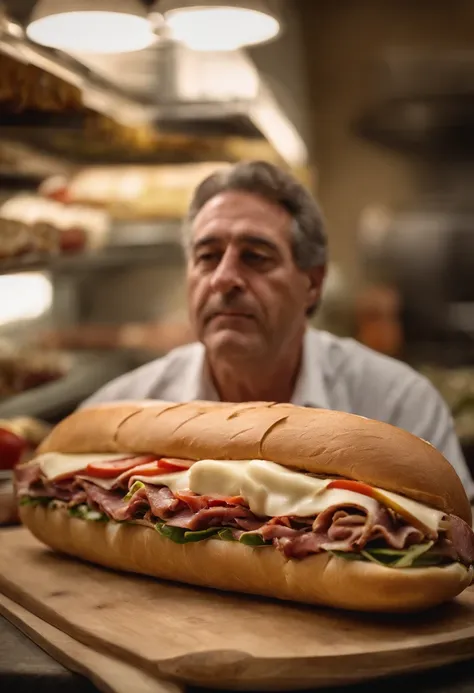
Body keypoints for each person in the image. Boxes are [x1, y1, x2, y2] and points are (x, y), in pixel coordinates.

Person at [81, 161, 474, 499]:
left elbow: (456, 539)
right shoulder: (130, 405)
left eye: (255, 257)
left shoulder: (398, 407)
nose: (224, 278)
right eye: (207, 256)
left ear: (312, 283)